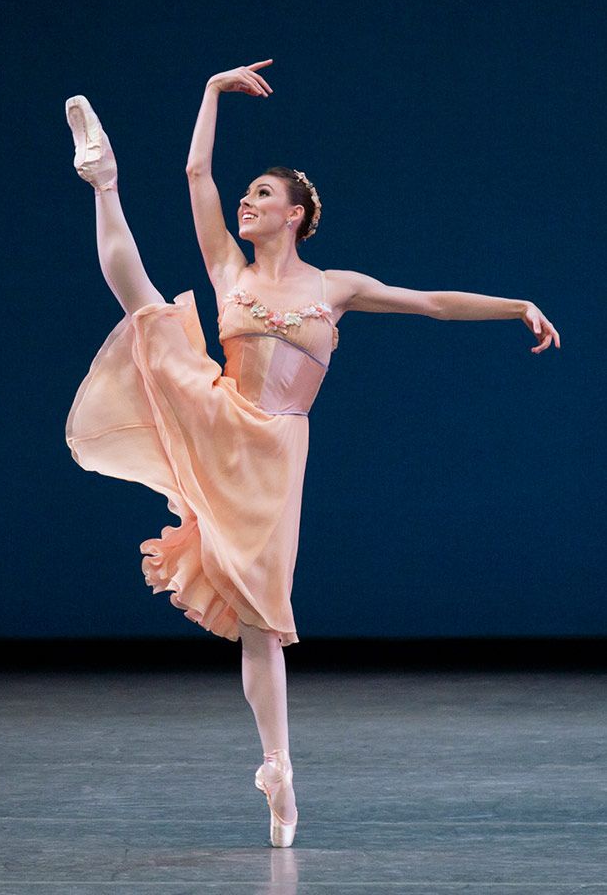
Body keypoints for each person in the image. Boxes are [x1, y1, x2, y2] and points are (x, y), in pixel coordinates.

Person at [63, 59, 561, 848]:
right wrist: (208, 93)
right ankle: (103, 181)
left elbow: (430, 303)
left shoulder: (335, 287)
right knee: (152, 314)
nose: (246, 202)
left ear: (294, 214)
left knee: (265, 620)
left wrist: (516, 306)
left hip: (277, 451)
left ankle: (277, 771)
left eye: (262, 195)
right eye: (248, 194)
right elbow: (196, 170)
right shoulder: (228, 268)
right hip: (223, 415)